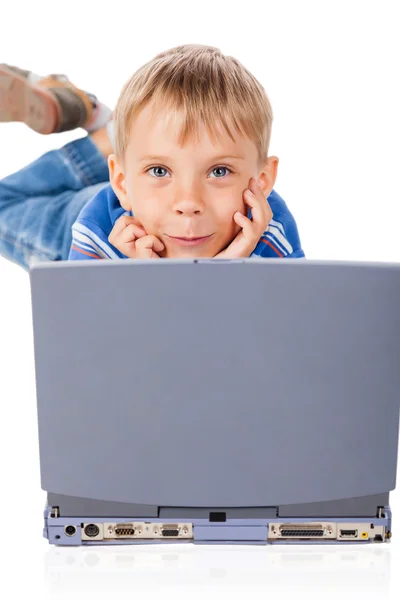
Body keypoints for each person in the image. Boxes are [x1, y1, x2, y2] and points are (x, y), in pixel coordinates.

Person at [0, 45, 305, 271]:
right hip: (88, 225)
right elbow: (91, 347)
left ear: (262, 182)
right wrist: (131, 278)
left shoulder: (271, 231)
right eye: (160, 170)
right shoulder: (100, 230)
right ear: (121, 183)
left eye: (219, 171)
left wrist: (223, 275)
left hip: (144, 201)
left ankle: (115, 133)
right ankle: (102, 127)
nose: (188, 203)